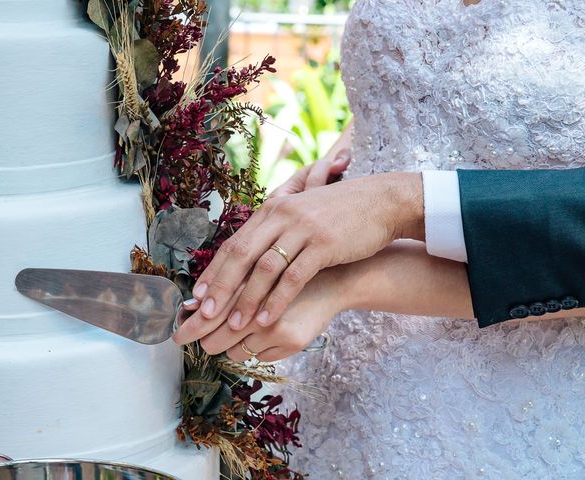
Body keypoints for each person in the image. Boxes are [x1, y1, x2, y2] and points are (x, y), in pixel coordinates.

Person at [174, 0, 585, 477]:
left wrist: (391, 212)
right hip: (338, 386)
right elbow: (428, 91)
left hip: (516, 415)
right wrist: (348, 165)